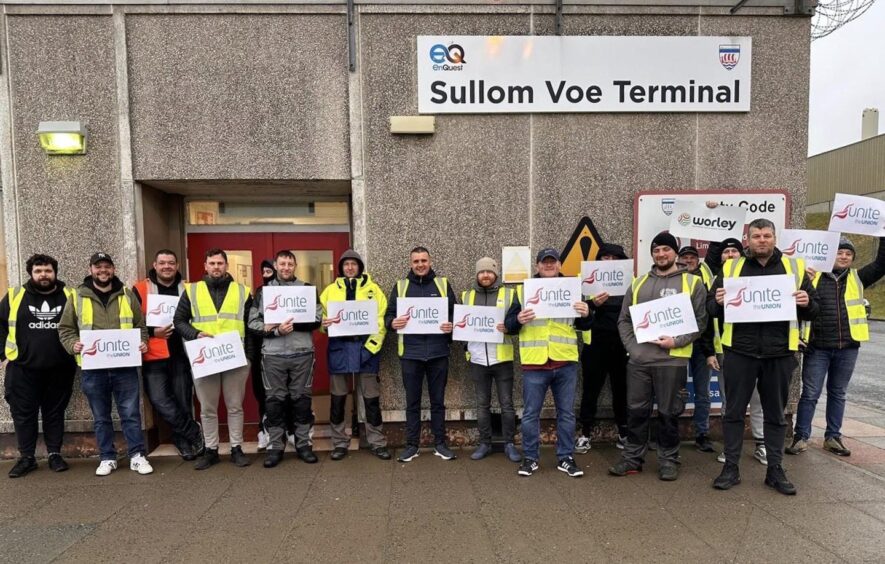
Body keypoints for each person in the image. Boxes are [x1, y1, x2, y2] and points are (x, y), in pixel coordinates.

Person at [710, 219, 819, 495]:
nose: (762, 240)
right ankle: (730, 468)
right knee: (733, 413)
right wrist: (719, 302)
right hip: (739, 352)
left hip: (779, 353)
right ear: (747, 239)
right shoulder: (731, 266)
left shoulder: (794, 268)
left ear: (774, 238)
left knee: (776, 415)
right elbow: (710, 307)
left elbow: (814, 308)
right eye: (756, 235)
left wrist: (807, 303)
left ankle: (775, 469)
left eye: (767, 235)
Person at [610, 233, 706, 481]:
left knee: (668, 413)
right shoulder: (639, 283)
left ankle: (668, 460)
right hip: (639, 361)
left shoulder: (693, 283)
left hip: (672, 360)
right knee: (636, 412)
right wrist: (632, 347)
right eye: (656, 250)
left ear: (674, 252)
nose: (661, 254)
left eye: (666, 249)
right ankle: (632, 458)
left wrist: (677, 341)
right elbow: (624, 320)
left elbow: (700, 321)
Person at [787, 236, 885, 457]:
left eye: (848, 254)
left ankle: (833, 437)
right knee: (810, 393)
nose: (843, 257)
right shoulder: (813, 277)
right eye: (839, 252)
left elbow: (881, 263)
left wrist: (882, 233)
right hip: (818, 347)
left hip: (847, 347)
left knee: (838, 393)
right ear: (829, 255)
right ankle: (801, 436)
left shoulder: (858, 278)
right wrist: (803, 279)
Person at [58, 252, 152, 476]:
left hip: (125, 367)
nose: (103, 270)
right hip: (93, 369)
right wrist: (73, 345)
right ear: (91, 269)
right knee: (101, 416)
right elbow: (65, 329)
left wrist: (143, 343)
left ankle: (137, 455)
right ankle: (107, 457)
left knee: (130, 413)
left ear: (113, 269)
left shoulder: (127, 295)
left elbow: (141, 326)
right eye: (98, 267)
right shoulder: (76, 296)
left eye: (107, 266)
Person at [505, 248, 592, 478]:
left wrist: (587, 313)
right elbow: (509, 325)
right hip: (535, 363)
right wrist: (518, 319)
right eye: (545, 262)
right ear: (537, 266)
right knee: (531, 414)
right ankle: (531, 458)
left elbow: (585, 324)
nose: (549, 265)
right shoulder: (523, 291)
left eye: (553, 262)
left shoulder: (573, 288)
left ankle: (566, 457)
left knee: (566, 414)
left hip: (564, 361)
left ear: (560, 265)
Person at [174, 248, 253, 470]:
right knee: (208, 408)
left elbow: (251, 325)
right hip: (205, 357)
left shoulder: (242, 291)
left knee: (235, 406)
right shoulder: (192, 291)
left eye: (220, 263)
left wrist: (249, 358)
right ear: (205, 266)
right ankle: (211, 450)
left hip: (236, 358)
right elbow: (179, 321)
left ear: (227, 266)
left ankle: (236, 448)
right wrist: (195, 334)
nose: (216, 267)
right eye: (212, 263)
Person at [2, 254, 77, 477]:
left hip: (60, 367)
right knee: (24, 414)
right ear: (31, 273)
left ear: (55, 272)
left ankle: (55, 454)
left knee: (54, 413)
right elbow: (0, 325)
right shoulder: (16, 296)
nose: (43, 275)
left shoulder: (70, 295)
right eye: (38, 271)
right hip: (22, 369)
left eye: (47, 271)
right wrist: (3, 354)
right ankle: (27, 457)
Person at [248, 250, 322, 467]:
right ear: (276, 265)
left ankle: (303, 445)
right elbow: (253, 323)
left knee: (301, 401)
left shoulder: (307, 290)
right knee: (274, 402)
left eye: (290, 263)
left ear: (295, 266)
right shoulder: (263, 292)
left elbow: (317, 318)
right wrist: (275, 331)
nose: (286, 267)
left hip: (302, 353)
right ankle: (275, 447)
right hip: (273, 355)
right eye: (282, 263)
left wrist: (290, 324)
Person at [384, 246, 458, 463]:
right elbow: (388, 314)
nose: (420, 264)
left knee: (438, 402)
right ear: (410, 263)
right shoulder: (401, 286)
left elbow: (455, 312)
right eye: (416, 261)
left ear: (430, 261)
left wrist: (451, 325)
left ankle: (440, 444)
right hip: (410, 354)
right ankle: (411, 445)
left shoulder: (442, 285)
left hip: (438, 353)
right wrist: (392, 323)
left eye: (423, 260)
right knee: (412, 403)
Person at [132, 249, 204, 461]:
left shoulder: (189, 288)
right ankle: (192, 431)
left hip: (182, 353)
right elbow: (132, 321)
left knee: (183, 399)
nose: (166, 266)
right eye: (162, 263)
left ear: (178, 265)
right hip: (154, 355)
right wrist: (154, 332)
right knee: (159, 399)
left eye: (171, 263)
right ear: (154, 265)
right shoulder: (140, 288)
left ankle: (182, 440)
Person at [319, 249, 391, 461]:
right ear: (341, 268)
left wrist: (372, 347)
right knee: (338, 400)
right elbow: (322, 320)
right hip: (339, 351)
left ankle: (377, 442)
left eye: (354, 264)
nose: (350, 267)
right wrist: (324, 325)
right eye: (346, 264)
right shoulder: (330, 291)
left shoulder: (374, 290)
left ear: (360, 267)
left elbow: (381, 321)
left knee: (371, 399)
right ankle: (340, 443)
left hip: (366, 350)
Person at [708, 238, 767, 466]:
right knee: (730, 402)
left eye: (734, 251)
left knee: (759, 400)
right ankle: (731, 447)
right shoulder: (716, 278)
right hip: (727, 350)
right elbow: (708, 313)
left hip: (759, 348)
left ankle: (761, 443)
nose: (730, 254)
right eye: (726, 251)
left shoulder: (751, 274)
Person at [461, 257, 521, 463]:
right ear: (477, 275)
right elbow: (461, 324)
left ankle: (509, 443)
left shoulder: (509, 294)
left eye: (489, 272)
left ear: (496, 274)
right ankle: (484, 443)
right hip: (478, 358)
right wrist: (465, 346)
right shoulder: (466, 296)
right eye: (481, 272)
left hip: (502, 358)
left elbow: (516, 322)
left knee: (507, 404)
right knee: (481, 404)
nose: (485, 275)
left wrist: (510, 326)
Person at [575, 243, 630, 453]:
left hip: (621, 345)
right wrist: (593, 305)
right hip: (594, 345)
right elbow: (578, 318)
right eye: (605, 257)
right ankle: (585, 434)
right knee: (590, 392)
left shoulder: (631, 282)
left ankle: (624, 433)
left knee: (622, 391)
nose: (609, 262)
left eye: (615, 258)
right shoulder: (586, 282)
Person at [677, 245, 716, 453]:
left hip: (701, 345)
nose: (688, 260)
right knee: (676, 391)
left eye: (692, 257)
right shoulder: (673, 280)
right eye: (684, 257)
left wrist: (710, 351)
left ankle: (702, 434)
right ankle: (671, 432)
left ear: (698, 260)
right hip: (678, 344)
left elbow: (708, 319)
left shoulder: (706, 280)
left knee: (703, 393)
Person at [250, 259, 276, 450]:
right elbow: (252, 324)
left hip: (286, 351)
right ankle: (264, 430)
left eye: (271, 271)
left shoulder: (295, 291)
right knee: (263, 394)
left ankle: (287, 431)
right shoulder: (259, 294)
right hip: (262, 351)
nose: (268, 275)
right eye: (265, 272)